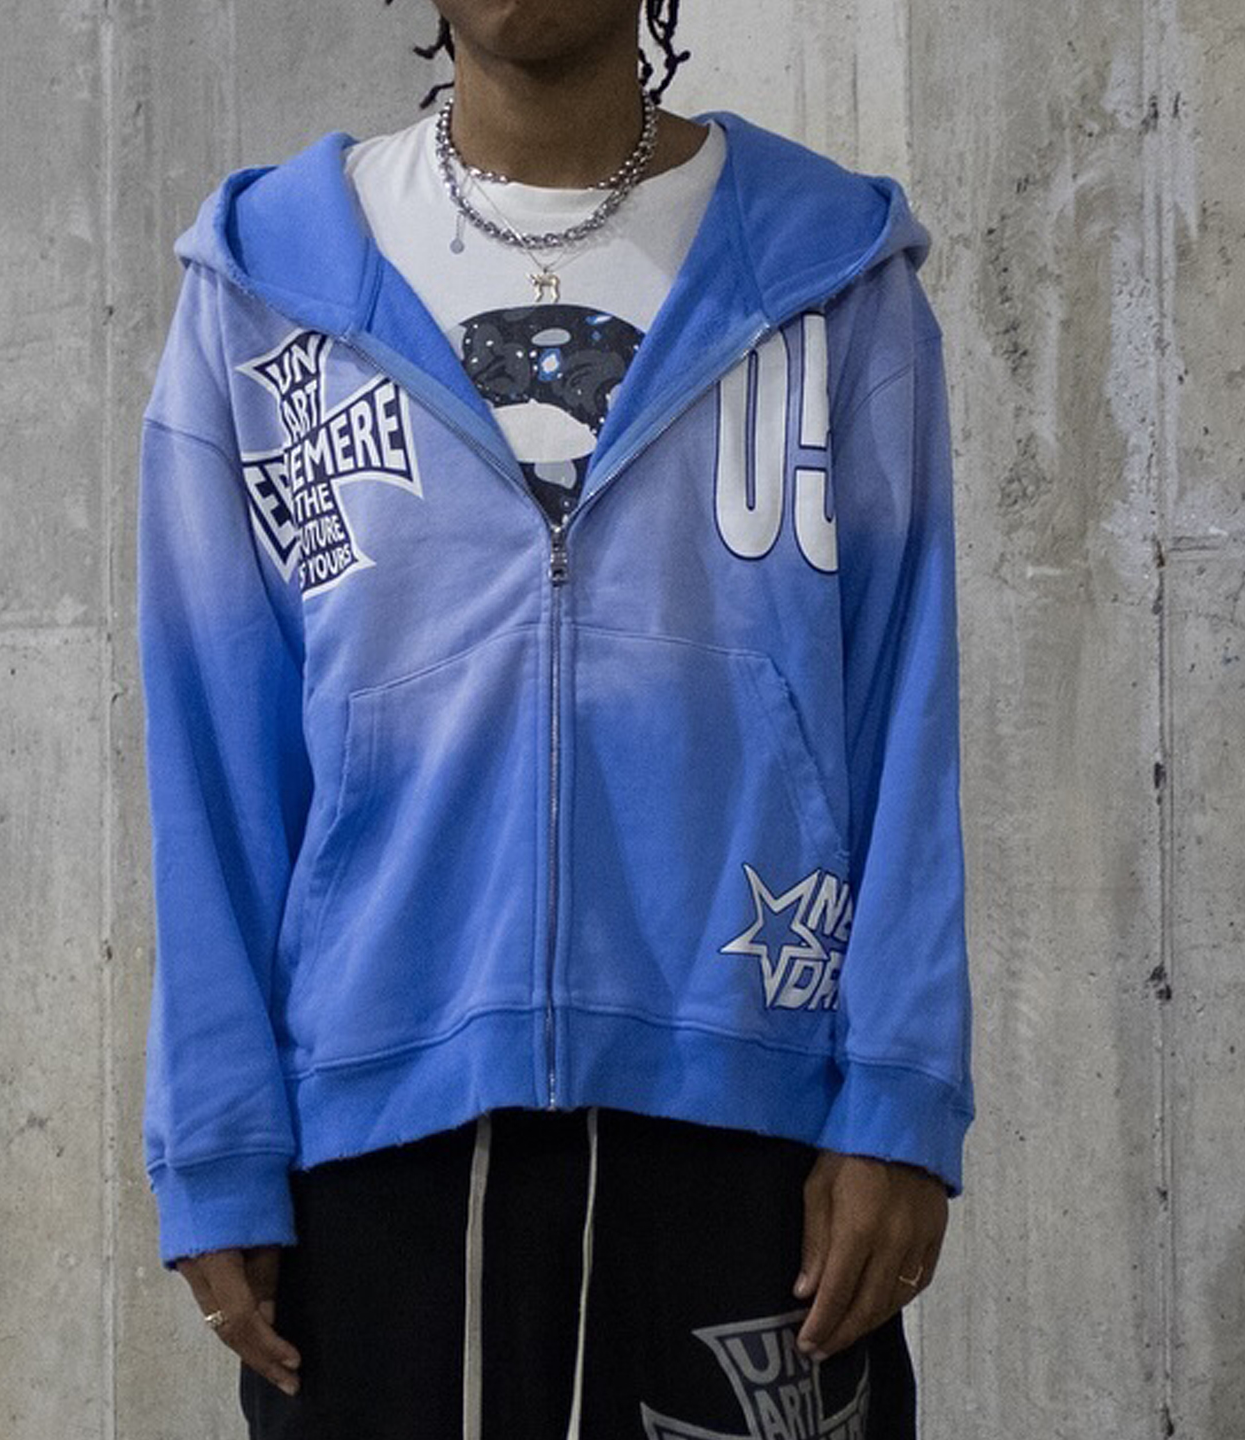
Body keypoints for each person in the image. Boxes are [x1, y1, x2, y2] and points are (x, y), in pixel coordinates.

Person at [134, 2, 974, 1436]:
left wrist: (900, 1098)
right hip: (373, 1134)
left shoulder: (833, 273)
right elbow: (210, 750)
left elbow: (907, 702)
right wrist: (215, 1141)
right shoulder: (265, 284)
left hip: (750, 1113)